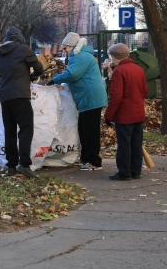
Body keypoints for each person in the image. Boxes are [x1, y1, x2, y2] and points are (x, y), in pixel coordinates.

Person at [47, 33, 108, 171]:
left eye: (66, 48)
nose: (65, 51)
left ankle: (94, 161)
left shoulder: (80, 56)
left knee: (90, 131)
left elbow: (73, 74)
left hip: (90, 97)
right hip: (89, 97)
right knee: (84, 129)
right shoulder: (81, 55)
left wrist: (54, 80)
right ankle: (87, 159)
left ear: (72, 46)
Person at [0, 27, 43, 178]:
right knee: (26, 128)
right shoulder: (24, 49)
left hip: (5, 96)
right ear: (19, 38)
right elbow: (39, 68)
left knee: (9, 131)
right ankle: (25, 164)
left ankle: (11, 166)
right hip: (20, 95)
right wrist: (32, 76)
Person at [103, 43, 148, 181]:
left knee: (124, 144)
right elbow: (145, 91)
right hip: (138, 112)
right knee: (136, 143)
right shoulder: (138, 69)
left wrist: (108, 115)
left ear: (115, 57)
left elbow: (116, 96)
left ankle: (124, 172)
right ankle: (136, 171)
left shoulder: (119, 71)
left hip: (124, 115)